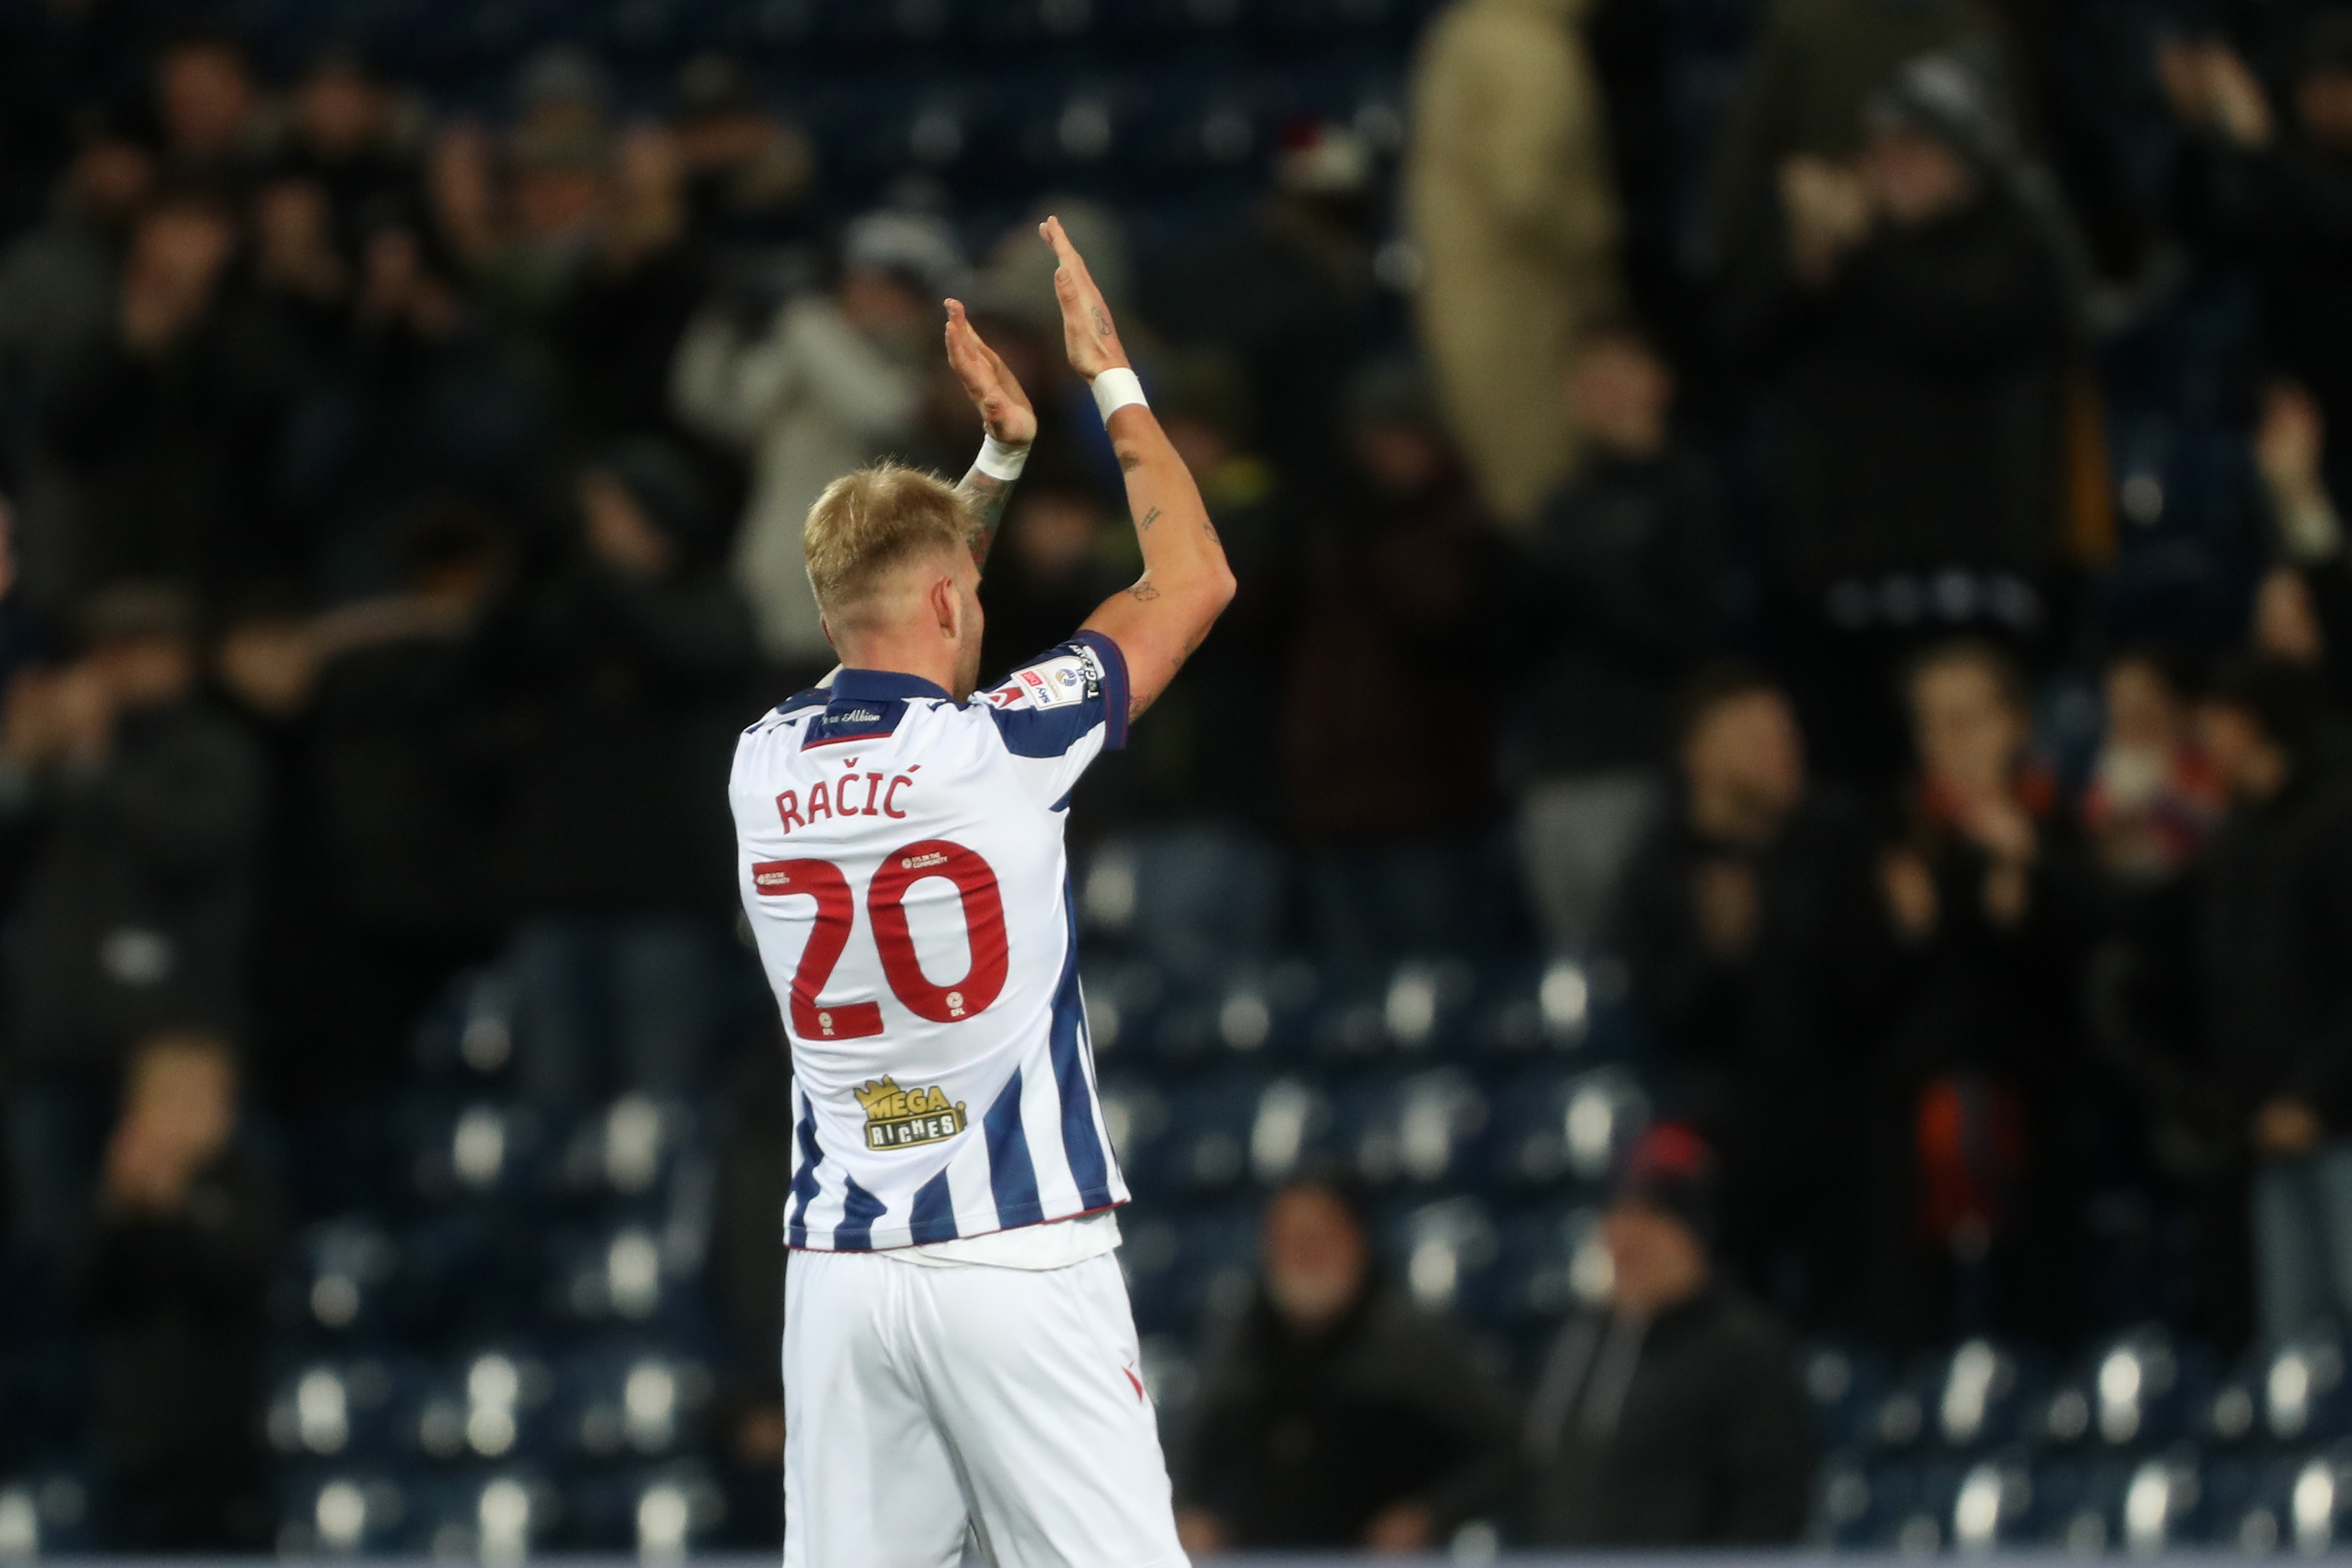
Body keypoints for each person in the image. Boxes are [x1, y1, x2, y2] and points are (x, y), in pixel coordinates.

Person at [733, 219, 1231, 1567]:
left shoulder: (759, 764)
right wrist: (1109, 380)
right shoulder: (999, 751)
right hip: (1014, 1257)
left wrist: (992, 464)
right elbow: (1192, 579)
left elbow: (916, 612)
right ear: (958, 601)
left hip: (841, 1275)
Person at [1722, 48, 2073, 780]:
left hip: (1970, 585)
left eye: (1915, 151)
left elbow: (1955, 325)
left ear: (1967, 160)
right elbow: (1739, 345)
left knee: (1975, 795)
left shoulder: (2011, 245)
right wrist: (1807, 266)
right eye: (1879, 153)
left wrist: (1858, 247)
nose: (1890, 170)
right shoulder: (1847, 260)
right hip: (1842, 590)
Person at [1609, 667, 1890, 1327]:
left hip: (1843, 1140)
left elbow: (1874, 994)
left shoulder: (1838, 840)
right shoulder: (1660, 864)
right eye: (1755, 736)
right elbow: (1664, 1014)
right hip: (1729, 1146)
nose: (1781, 750)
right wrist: (1720, 955)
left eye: (1786, 734)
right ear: (1699, 755)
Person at [0, 583, 267, 1250]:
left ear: (181, 658)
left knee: (162, 1250)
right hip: (52, 1047)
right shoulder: (58, 756)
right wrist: (16, 765)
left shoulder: (216, 752)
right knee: (53, 1256)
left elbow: (189, 845)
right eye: (105, 650)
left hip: (166, 1054)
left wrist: (93, 763)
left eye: (140, 648)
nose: (118, 667)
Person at [1510, 327, 1726, 953]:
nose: (1598, 396)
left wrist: (1591, 579)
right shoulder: (1562, 504)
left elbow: (1694, 635)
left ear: (1659, 383)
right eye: (1586, 382)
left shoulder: (1692, 489)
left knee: (1648, 958)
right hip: (1554, 769)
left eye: (1614, 376)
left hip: (1644, 762)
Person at [673, 210, 960, 678]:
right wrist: (720, 320)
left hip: (861, 620)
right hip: (767, 599)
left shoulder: (925, 375)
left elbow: (883, 416)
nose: (866, 298)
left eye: (888, 286)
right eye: (858, 281)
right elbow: (708, 405)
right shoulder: (809, 354)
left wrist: (800, 318)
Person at [1174, 1173, 1517, 1553]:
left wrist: (1430, 1515)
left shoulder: (1410, 1340)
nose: (1303, 1255)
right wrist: (1192, 1513)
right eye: (1287, 1240)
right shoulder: (1239, 1341)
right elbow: (1191, 1451)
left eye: (1318, 1238)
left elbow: (1505, 1451)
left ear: (1358, 1240)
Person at [1521, 1123, 1815, 1545]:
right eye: (1616, 1215)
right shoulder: (1581, 1337)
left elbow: (1772, 1507)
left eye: (1649, 1219)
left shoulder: (1744, 1350)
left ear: (1693, 1234)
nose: (1623, 1240)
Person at [1405, 0, 1623, 527]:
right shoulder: (1531, 49)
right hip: (1522, 313)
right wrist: (1601, 233)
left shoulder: (1467, 27)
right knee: (1543, 506)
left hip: (1466, 304)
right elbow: (1527, 193)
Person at [2194, 657, 2352, 1346]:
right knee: (2295, 1344)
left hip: (2339, 1123)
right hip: (2266, 1126)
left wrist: (2317, 1097)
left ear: (2249, 723)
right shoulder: (2235, 836)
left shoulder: (2334, 816)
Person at [71, 1031, 281, 1550]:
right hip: (132, 1449)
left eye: (205, 1097)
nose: (189, 1115)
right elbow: (83, 1293)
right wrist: (121, 1214)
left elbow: (238, 1279)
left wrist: (176, 1210)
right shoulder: (117, 1199)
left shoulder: (245, 1183)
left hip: (228, 1445)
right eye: (171, 1098)